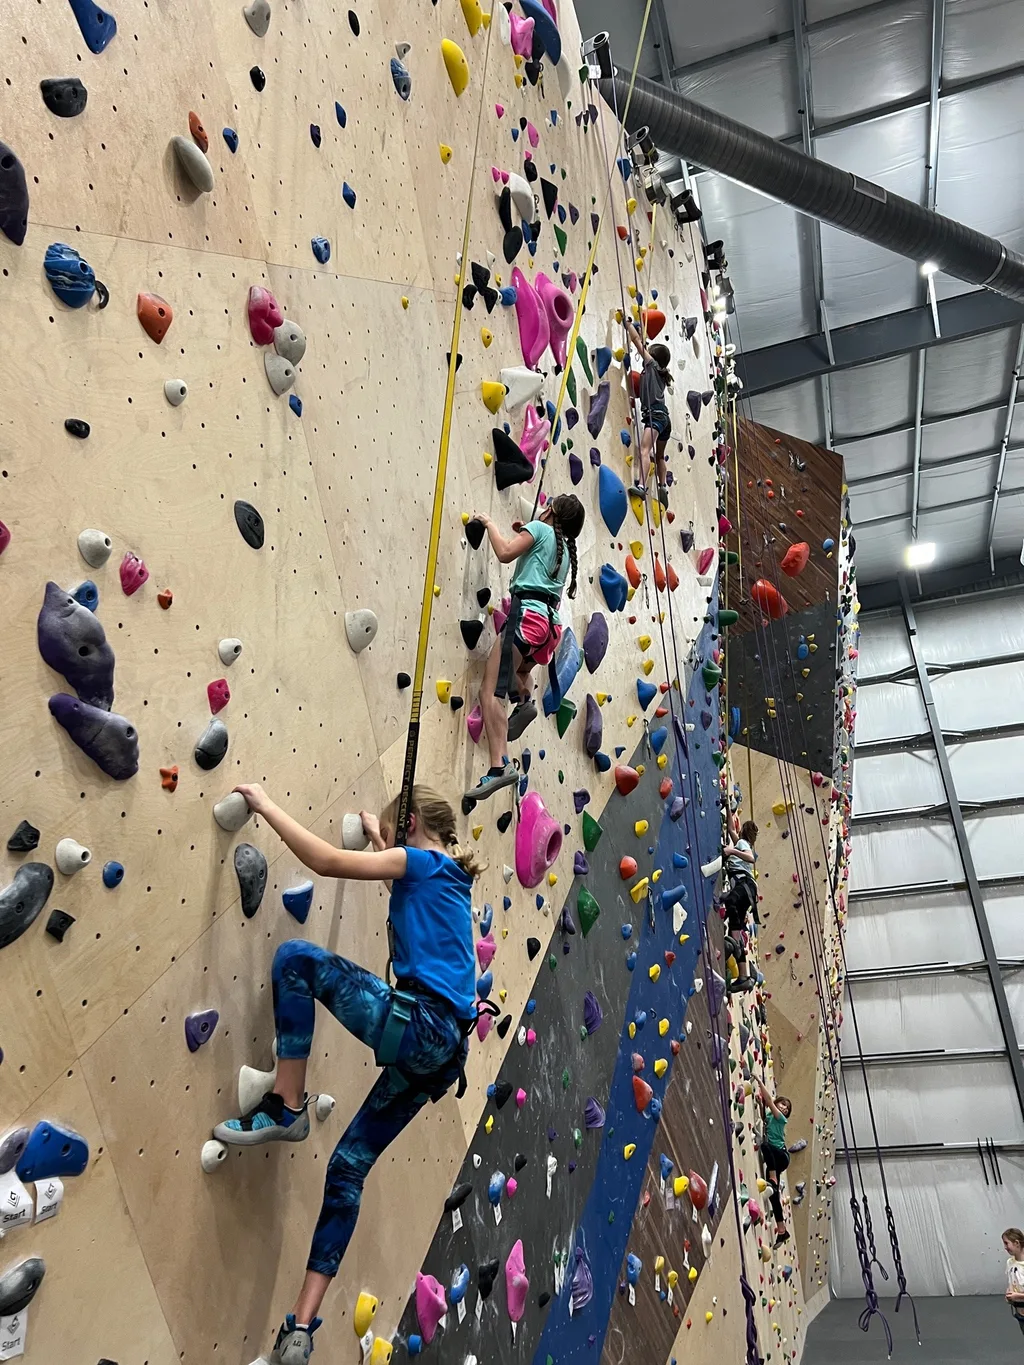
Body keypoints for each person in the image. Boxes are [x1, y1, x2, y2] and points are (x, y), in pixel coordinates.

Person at [212, 783, 483, 1365]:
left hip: (420, 1026)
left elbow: (328, 861)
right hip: (440, 1058)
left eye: (393, 835)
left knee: (295, 961)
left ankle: (286, 1103)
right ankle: (300, 1328)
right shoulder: (451, 880)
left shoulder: (421, 863)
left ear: (410, 827)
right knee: (348, 1166)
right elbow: (399, 885)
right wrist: (383, 836)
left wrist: (264, 804)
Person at [466, 493, 585, 800]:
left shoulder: (540, 529)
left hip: (526, 618)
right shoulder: (565, 553)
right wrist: (528, 533)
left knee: (490, 691)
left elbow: (505, 552)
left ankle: (499, 765)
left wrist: (489, 524)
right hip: (548, 628)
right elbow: (537, 563)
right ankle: (525, 697)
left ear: (552, 510)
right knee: (518, 673)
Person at [625, 317, 673, 507]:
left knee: (644, 450)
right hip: (664, 418)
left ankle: (643, 487)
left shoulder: (651, 365)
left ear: (653, 356)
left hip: (655, 416)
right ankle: (663, 486)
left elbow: (637, 342)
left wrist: (628, 324)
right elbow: (642, 342)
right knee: (659, 456)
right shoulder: (660, 372)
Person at [723, 820, 759, 993]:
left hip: (744, 885)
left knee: (730, 901)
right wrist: (728, 809)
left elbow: (751, 858)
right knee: (734, 930)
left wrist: (731, 851)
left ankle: (735, 944)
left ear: (744, 830)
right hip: (747, 889)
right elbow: (731, 828)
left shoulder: (743, 844)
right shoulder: (740, 843)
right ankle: (744, 977)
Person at [758, 1081, 793, 1247]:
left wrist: (759, 1081)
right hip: (774, 1158)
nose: (785, 1109)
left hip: (781, 1156)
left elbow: (769, 1100)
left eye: (787, 1108)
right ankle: (782, 1230)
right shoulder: (771, 1115)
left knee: (765, 1146)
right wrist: (760, 1104)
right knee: (773, 1194)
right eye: (783, 1104)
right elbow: (765, 1113)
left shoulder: (781, 1119)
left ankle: (772, 1177)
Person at [1004, 1228, 1024, 1336]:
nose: (1005, 1247)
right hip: (1019, 1310)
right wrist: (1009, 1293)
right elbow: (1012, 1281)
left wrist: (1017, 1296)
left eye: (1006, 1243)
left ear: (1016, 1243)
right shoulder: (1010, 1262)